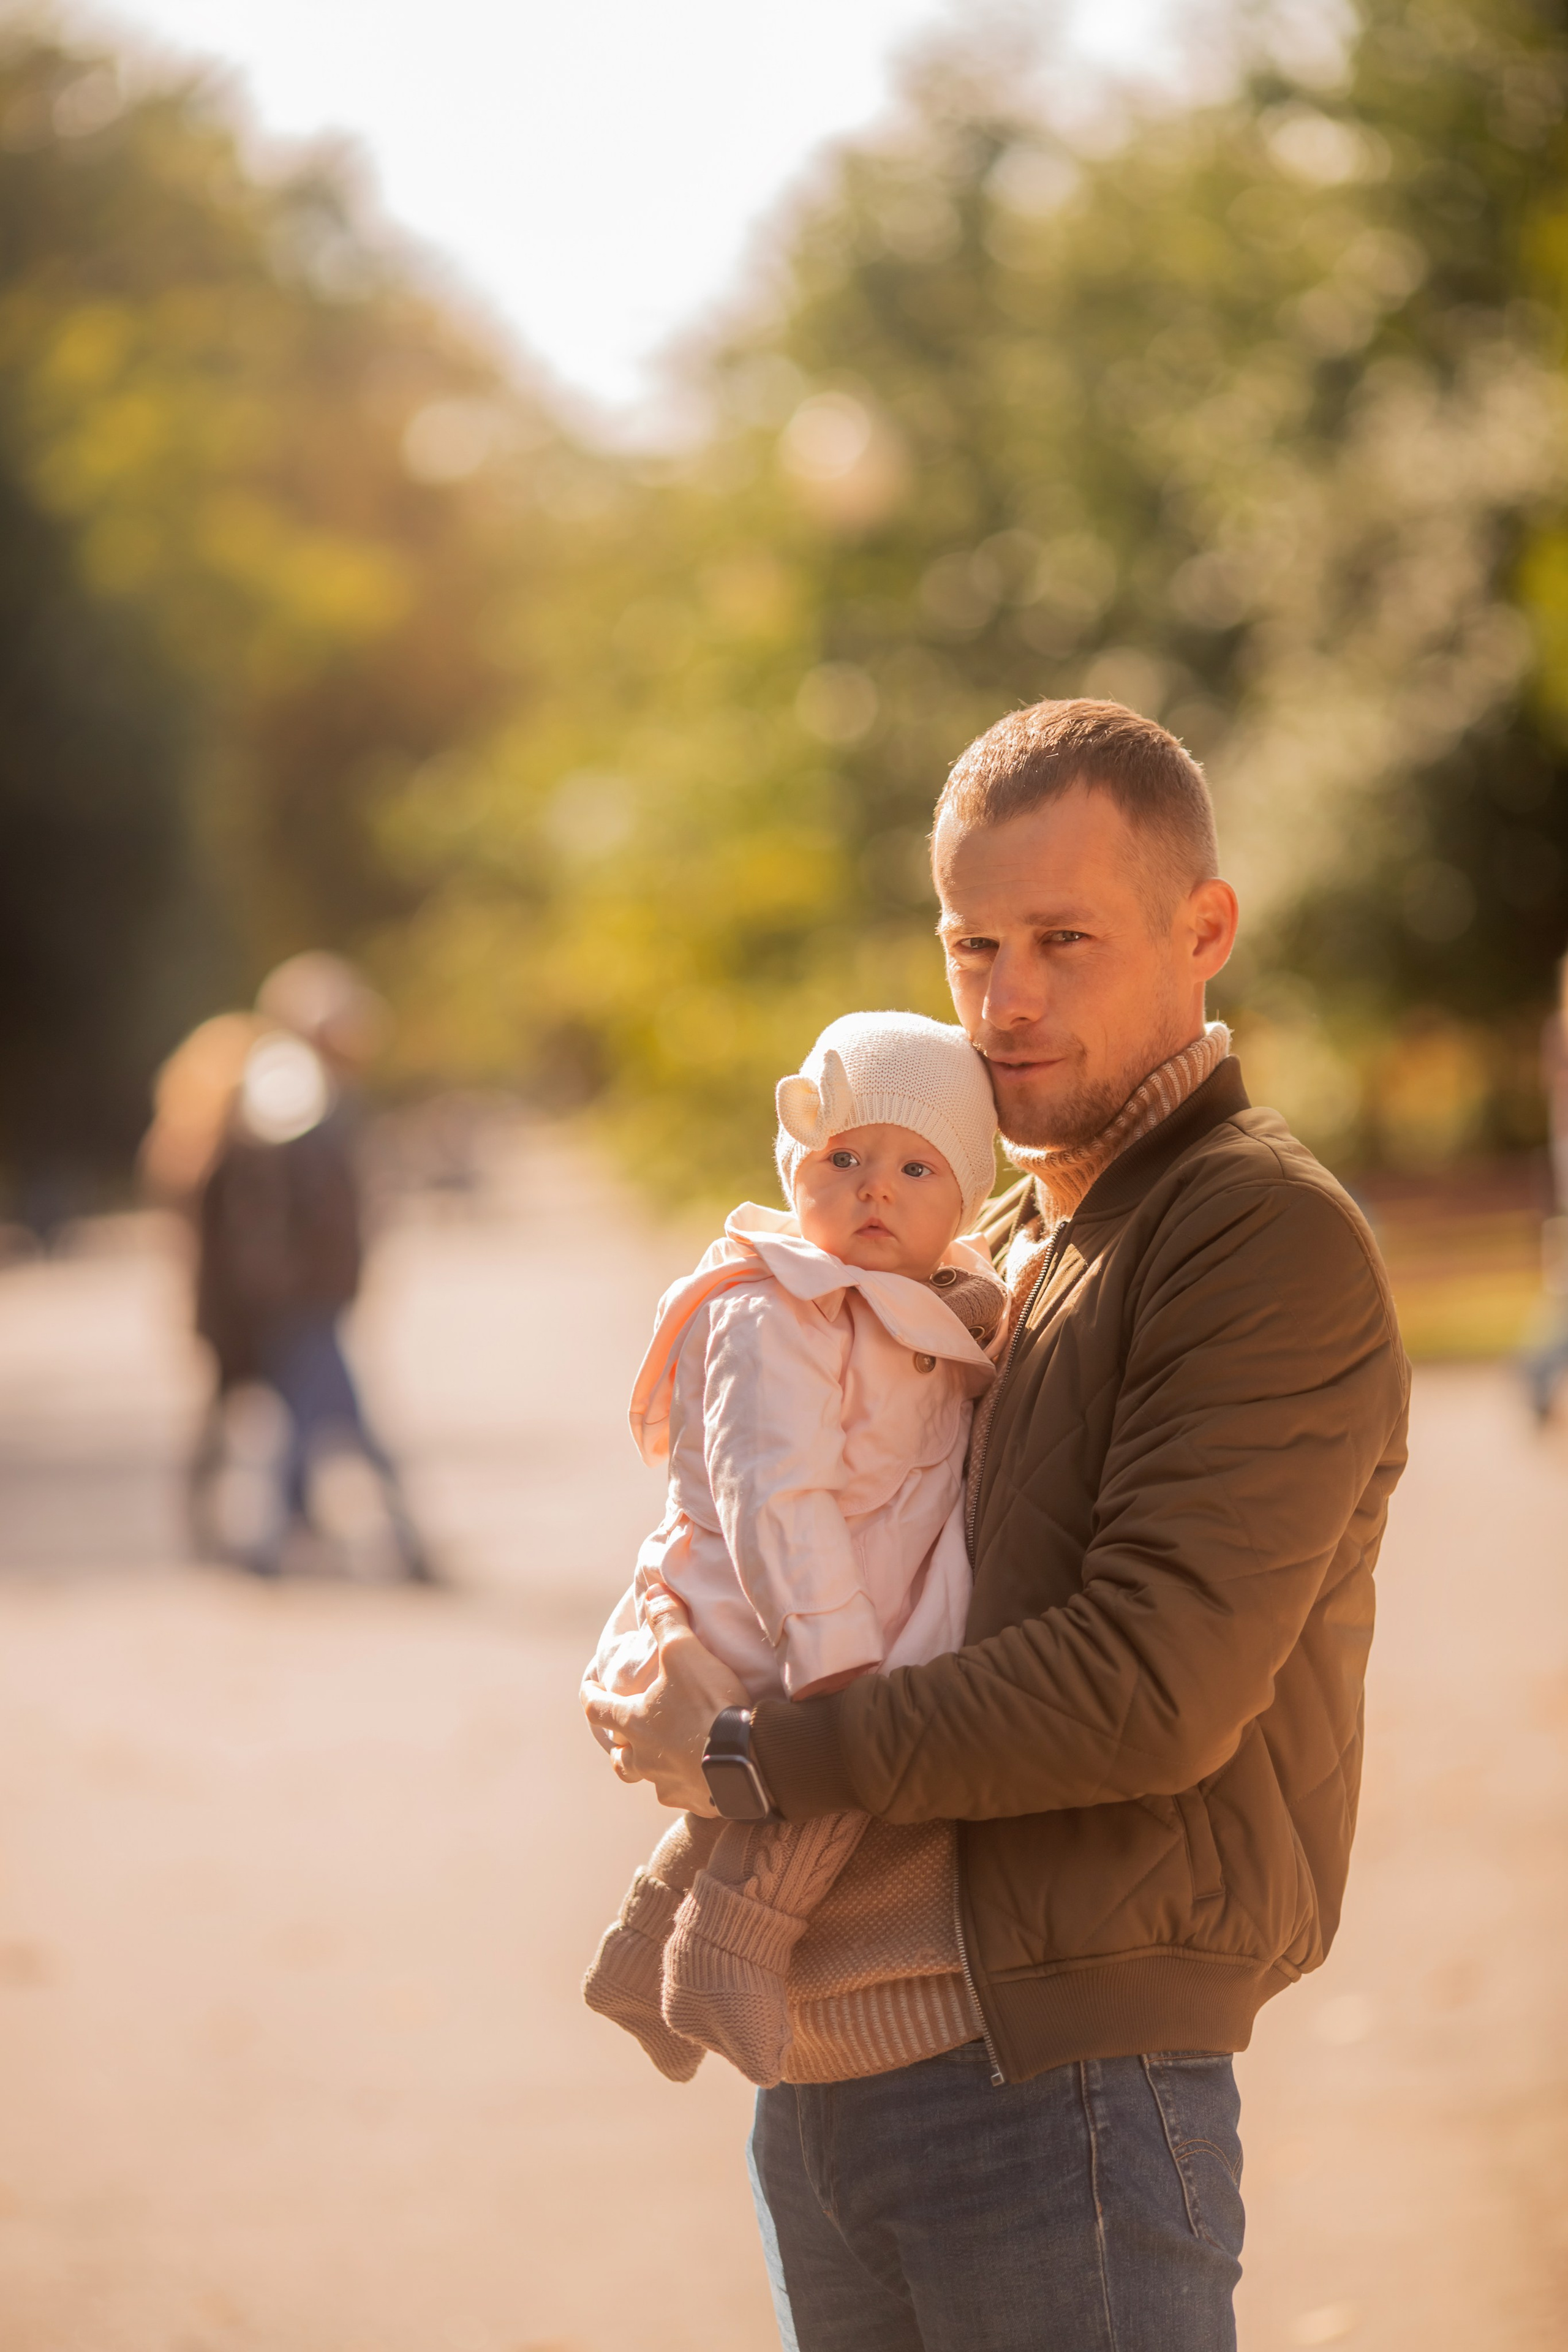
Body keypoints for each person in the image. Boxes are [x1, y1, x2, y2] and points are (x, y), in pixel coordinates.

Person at [582, 698, 1410, 2352]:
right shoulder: (1001, 1229)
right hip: (840, 2063)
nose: (1005, 1000)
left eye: (1064, 940)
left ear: (1204, 931)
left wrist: (759, 1757)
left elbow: (1148, 1683)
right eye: (972, 945)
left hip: (1059, 2089)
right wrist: (661, 1634)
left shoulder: (1255, 1232)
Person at [584, 1012, 1007, 2087]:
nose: (877, 1190)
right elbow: (771, 1491)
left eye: (918, 1167)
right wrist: (832, 1650)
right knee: (857, 1760)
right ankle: (731, 1948)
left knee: (808, 1767)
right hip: (778, 1603)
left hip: (854, 1581)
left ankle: (644, 1946)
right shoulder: (777, 1313)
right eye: (845, 1158)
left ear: (961, 1197)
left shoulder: (917, 1294)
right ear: (794, 1164)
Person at [163, 954, 432, 1580]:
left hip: (307, 1294)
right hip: (300, 1297)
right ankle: (394, 1544)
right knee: (337, 1421)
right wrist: (279, 1286)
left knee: (308, 1419)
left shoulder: (298, 1082)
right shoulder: (289, 1085)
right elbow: (269, 1204)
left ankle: (285, 1534)